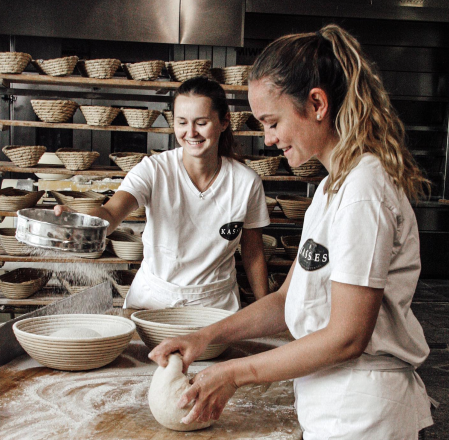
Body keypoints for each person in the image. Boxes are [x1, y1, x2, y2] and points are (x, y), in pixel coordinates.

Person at [149, 24, 434, 439]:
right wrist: (205, 336)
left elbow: (347, 336)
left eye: (272, 121)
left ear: (317, 103)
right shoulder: (330, 188)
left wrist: (235, 373)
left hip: (364, 414)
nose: (268, 139)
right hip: (332, 404)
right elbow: (288, 300)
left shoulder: (364, 191)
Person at [55, 76, 270, 311]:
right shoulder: (154, 169)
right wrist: (82, 224)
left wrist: (265, 308)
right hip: (152, 301)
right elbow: (112, 211)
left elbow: (253, 252)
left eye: (201, 122)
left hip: (214, 305)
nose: (191, 132)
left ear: (224, 121)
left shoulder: (246, 182)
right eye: (182, 122)